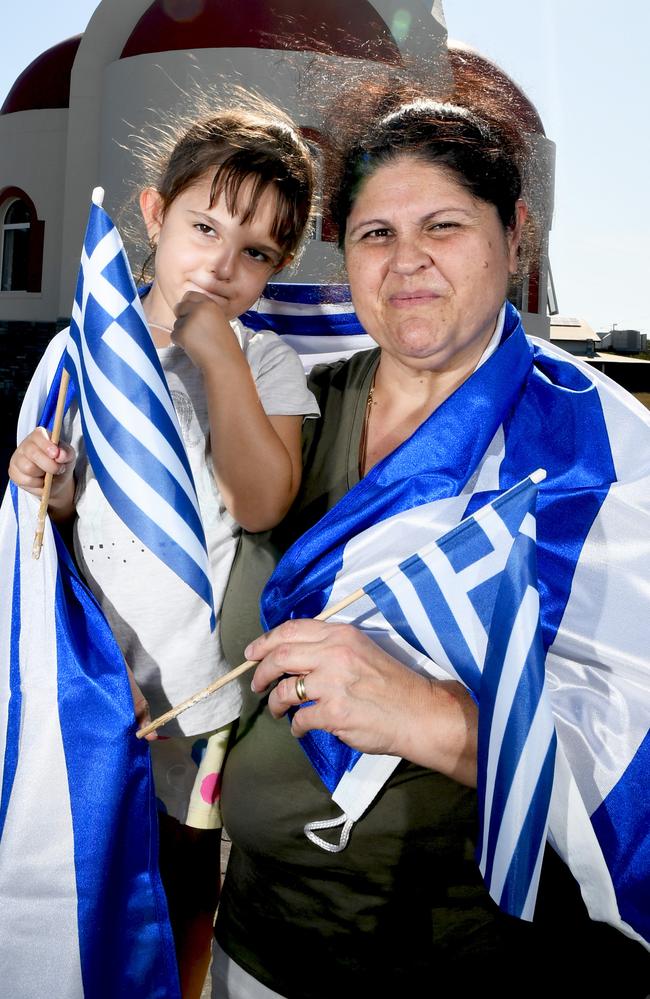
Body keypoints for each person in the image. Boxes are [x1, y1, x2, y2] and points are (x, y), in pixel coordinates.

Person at [212, 84, 650, 997]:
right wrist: (49, 500)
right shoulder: (291, 414)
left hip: (461, 963)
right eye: (375, 234)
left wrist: (432, 718)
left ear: (514, 233)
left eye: (443, 225)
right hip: (253, 944)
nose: (405, 263)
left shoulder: (596, 452)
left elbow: (634, 752)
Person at [9, 96, 319, 998]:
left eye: (256, 252)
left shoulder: (265, 364)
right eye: (206, 226)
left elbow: (260, 501)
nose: (223, 264)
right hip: (97, 679)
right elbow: (57, 517)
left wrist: (217, 351)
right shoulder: (81, 350)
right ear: (155, 213)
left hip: (202, 696)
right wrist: (44, 477)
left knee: (185, 889)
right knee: (89, 873)